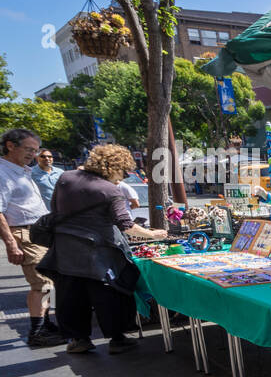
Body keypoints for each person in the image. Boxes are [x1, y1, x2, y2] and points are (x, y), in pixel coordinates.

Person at [42, 144, 165, 354]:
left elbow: (55, 209)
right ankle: (117, 338)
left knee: (71, 295)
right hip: (99, 251)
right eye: (123, 172)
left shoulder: (65, 178)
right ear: (114, 167)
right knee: (111, 293)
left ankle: (79, 339)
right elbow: (126, 225)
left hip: (66, 248)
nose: (123, 177)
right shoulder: (109, 190)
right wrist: (154, 234)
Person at [0, 128, 65, 347]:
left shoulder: (22, 170)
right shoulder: (3, 172)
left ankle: (45, 324)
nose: (33, 155)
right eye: (29, 149)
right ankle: (37, 332)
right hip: (24, 232)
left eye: (35, 150)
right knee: (42, 283)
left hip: (37, 231)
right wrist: (11, 244)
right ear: (11, 146)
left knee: (47, 282)